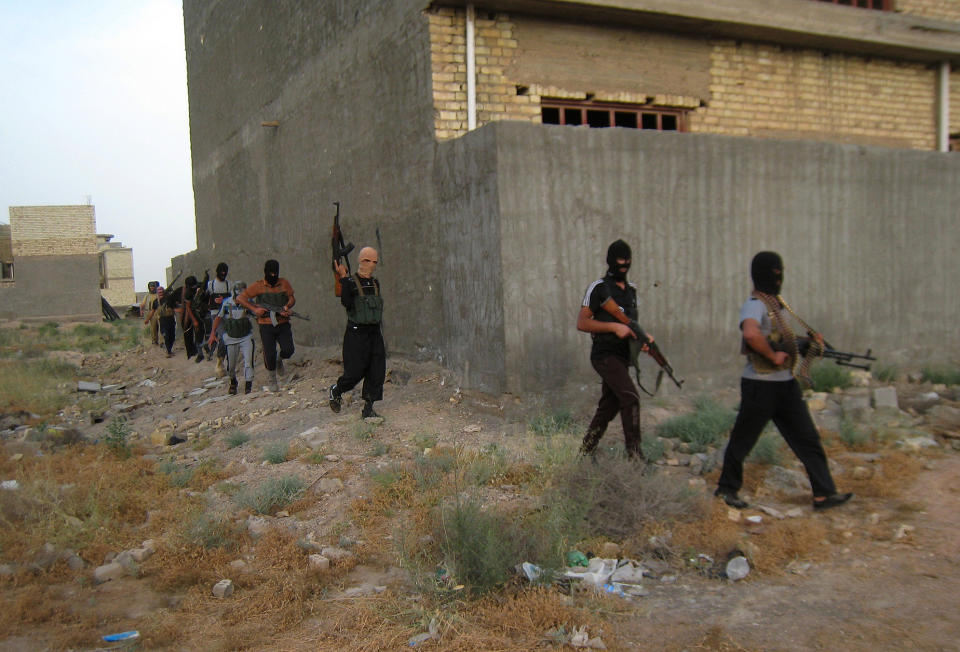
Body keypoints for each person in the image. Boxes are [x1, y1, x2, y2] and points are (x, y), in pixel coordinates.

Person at [714, 251, 853, 511]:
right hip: (760, 384)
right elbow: (751, 334)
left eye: (780, 272)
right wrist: (772, 355)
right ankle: (726, 490)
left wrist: (808, 343)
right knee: (743, 439)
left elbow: (781, 338)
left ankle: (823, 494)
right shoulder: (755, 304)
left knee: (807, 438)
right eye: (774, 272)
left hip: (784, 384)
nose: (779, 277)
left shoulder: (776, 304)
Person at [576, 239, 654, 459]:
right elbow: (582, 323)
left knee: (608, 407)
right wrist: (613, 327)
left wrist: (644, 340)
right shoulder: (599, 288)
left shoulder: (631, 292)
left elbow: (630, 326)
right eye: (620, 260)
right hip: (604, 355)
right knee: (631, 398)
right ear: (610, 260)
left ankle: (584, 453)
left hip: (622, 358)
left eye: (628, 260)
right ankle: (635, 457)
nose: (624, 264)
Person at [328, 247, 386, 419]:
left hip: (374, 333)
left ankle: (368, 409)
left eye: (375, 261)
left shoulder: (375, 283)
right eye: (368, 260)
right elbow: (346, 302)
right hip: (356, 334)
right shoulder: (351, 283)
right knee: (354, 372)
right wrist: (343, 278)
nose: (372, 265)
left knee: (376, 371)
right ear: (361, 261)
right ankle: (336, 390)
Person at [237, 259, 295, 392]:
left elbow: (292, 298)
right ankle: (272, 379)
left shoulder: (284, 283)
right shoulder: (258, 286)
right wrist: (254, 309)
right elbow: (240, 298)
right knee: (269, 353)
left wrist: (287, 306)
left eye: (276, 273)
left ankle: (279, 359)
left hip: (282, 323)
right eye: (271, 274)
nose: (273, 276)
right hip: (266, 325)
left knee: (289, 349)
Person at [207, 281, 255, 395]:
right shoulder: (227, 303)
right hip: (231, 338)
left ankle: (248, 386)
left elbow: (257, 313)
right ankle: (233, 382)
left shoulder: (248, 303)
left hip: (246, 337)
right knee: (231, 365)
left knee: (248, 362)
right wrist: (213, 333)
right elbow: (218, 318)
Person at [206, 262, 233, 377]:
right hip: (215, 314)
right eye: (221, 272)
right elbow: (205, 300)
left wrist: (224, 299)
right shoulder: (210, 285)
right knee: (223, 336)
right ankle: (219, 362)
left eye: (225, 272)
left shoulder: (229, 284)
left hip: (227, 314)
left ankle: (227, 361)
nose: (223, 274)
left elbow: (233, 298)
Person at [144, 286, 177, 357]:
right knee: (166, 335)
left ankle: (169, 349)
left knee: (172, 336)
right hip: (163, 320)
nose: (160, 293)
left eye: (161, 291)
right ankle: (168, 351)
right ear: (157, 293)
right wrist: (147, 319)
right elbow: (152, 311)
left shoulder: (169, 299)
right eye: (159, 292)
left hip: (171, 319)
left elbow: (175, 307)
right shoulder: (156, 302)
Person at [180, 275, 204, 360]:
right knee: (188, 331)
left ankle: (201, 350)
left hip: (201, 311)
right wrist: (194, 321)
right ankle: (192, 353)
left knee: (201, 332)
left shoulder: (200, 286)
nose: (194, 287)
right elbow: (188, 308)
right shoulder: (187, 293)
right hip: (190, 312)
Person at [140, 281, 160, 345]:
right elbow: (142, 304)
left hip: (159, 312)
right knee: (153, 328)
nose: (152, 288)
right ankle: (154, 341)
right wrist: (141, 311)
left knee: (161, 328)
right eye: (150, 287)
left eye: (153, 287)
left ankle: (162, 341)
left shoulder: (158, 294)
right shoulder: (147, 295)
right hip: (152, 313)